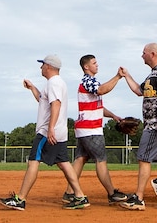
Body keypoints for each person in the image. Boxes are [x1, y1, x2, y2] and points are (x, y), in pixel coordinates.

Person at [0, 55, 89, 211]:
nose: (41, 67)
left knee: (33, 161)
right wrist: (32, 87)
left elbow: (56, 104)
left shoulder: (53, 83)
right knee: (64, 163)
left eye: (42, 65)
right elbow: (43, 101)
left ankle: (20, 198)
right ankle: (80, 196)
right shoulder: (57, 83)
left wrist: (50, 128)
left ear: (48, 66)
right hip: (59, 130)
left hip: (48, 130)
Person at [117, 43, 157, 210]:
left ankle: (138, 198)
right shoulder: (152, 76)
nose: (142, 55)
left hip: (156, 125)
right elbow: (139, 91)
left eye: (144, 53)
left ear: (152, 54)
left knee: (143, 158)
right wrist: (127, 76)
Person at [67, 54, 129, 204]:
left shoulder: (89, 82)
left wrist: (113, 116)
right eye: (94, 63)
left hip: (84, 129)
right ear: (86, 67)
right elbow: (101, 90)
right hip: (91, 129)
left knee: (80, 159)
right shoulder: (88, 80)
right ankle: (111, 193)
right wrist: (117, 77)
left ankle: (69, 192)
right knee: (101, 160)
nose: (97, 65)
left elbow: (97, 106)